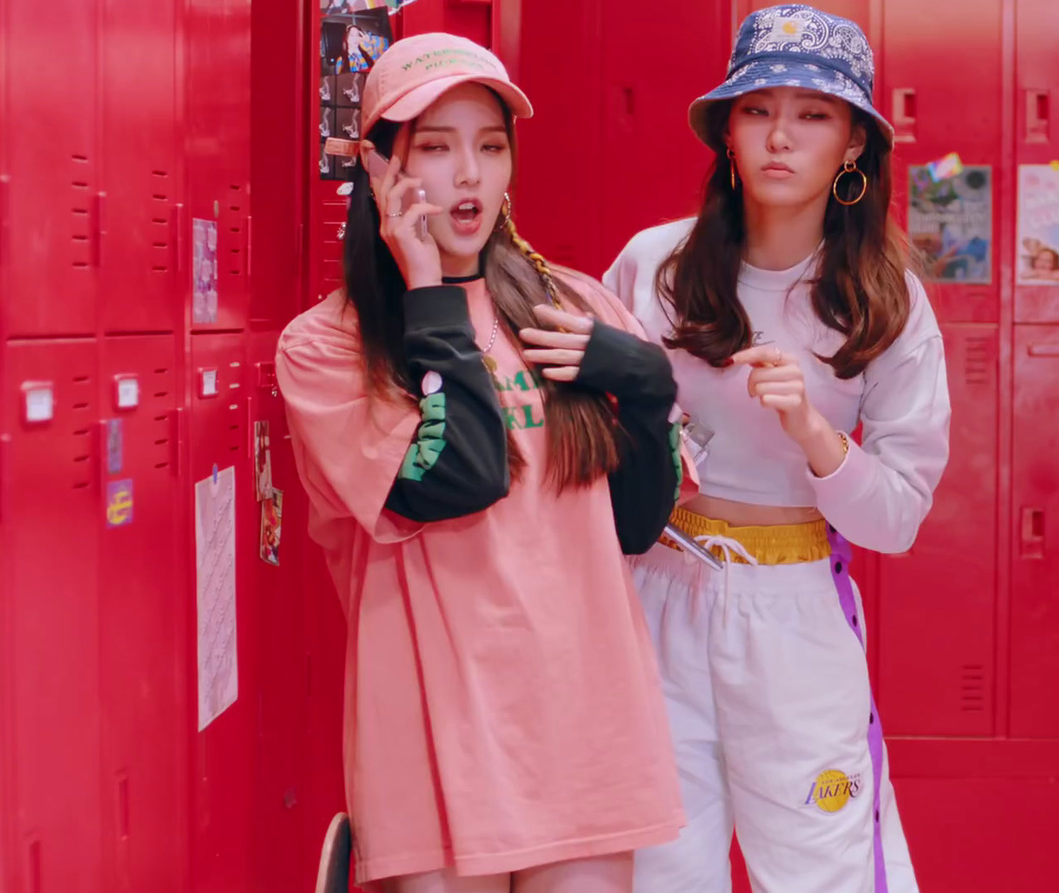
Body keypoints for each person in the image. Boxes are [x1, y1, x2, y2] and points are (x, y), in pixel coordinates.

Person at [277, 33, 691, 893]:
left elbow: (635, 525)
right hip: (432, 741)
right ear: (379, 166)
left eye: (491, 145)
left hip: (584, 726)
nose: (469, 173)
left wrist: (648, 398)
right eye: (435, 145)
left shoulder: (573, 306)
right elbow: (459, 481)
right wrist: (432, 293)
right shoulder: (325, 348)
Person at [602, 6, 951, 893]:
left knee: (820, 875)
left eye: (814, 114)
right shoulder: (655, 265)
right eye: (758, 110)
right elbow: (585, 432)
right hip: (656, 595)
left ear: (854, 147)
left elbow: (899, 518)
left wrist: (817, 436)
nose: (781, 137)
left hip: (792, 610)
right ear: (727, 130)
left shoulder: (885, 302)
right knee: (655, 873)